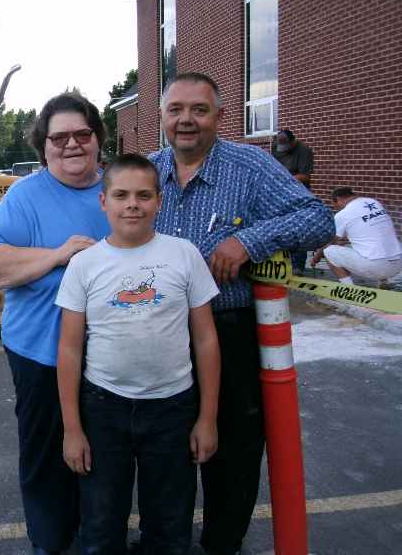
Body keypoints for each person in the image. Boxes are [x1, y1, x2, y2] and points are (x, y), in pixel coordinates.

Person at [148, 71, 335, 555]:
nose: (186, 120)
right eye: (176, 110)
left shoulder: (250, 167)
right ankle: (166, 543)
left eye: (199, 110)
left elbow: (318, 218)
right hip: (159, 336)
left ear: (220, 117)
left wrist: (247, 241)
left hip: (229, 333)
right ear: (162, 117)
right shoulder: (145, 173)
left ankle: (221, 545)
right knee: (163, 453)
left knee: (231, 453)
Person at [0, 92, 111, 555]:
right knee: (49, 456)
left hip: (111, 359)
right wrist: (58, 255)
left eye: (82, 134)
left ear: (97, 140)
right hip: (42, 354)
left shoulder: (118, 192)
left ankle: (97, 538)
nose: (72, 145)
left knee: (104, 457)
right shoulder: (26, 196)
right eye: (59, 137)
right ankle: (50, 542)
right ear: (43, 146)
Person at [56, 154, 221, 555]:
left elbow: (205, 341)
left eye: (144, 195)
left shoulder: (184, 255)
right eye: (121, 195)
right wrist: (73, 429)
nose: (133, 204)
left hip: (173, 410)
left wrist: (207, 419)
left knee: (169, 529)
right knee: (100, 528)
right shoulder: (84, 265)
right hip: (102, 410)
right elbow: (70, 347)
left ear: (160, 202)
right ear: (104, 202)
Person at [310, 187, 402, 288]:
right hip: (398, 263)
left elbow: (328, 242)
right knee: (375, 246)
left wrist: (315, 259)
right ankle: (383, 282)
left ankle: (350, 291)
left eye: (336, 205)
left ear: (339, 199)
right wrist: (345, 238)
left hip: (376, 266)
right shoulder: (374, 203)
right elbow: (367, 232)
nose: (337, 208)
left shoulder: (343, 214)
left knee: (329, 251)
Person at [272, 129, 315, 275]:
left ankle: (297, 266)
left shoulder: (304, 150)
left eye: (287, 147)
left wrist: (284, 181)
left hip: (298, 194)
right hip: (279, 194)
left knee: (299, 228)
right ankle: (280, 263)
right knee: (279, 227)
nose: (283, 151)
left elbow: (305, 176)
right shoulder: (275, 147)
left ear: (294, 141)